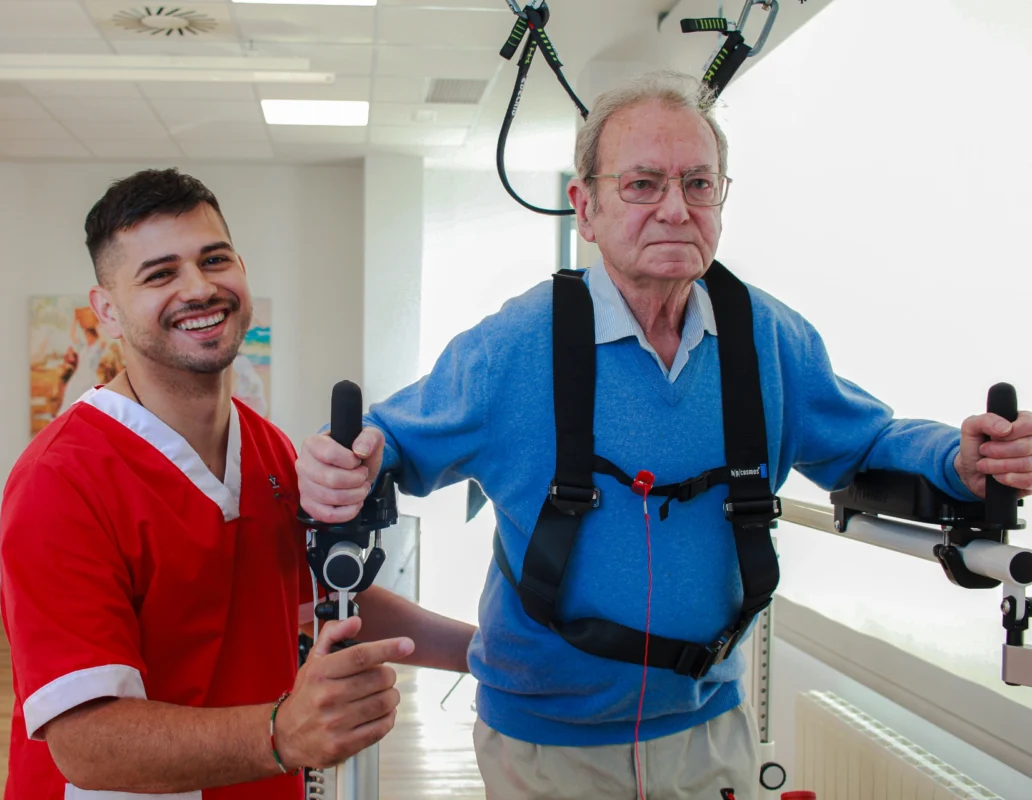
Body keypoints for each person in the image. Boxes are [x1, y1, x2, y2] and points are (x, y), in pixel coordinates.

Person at [296, 71, 1032, 799]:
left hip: (709, 730)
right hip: (545, 742)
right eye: (643, 185)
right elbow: (385, 442)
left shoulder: (768, 339)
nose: (676, 210)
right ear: (586, 208)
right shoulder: (513, 347)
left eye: (698, 184)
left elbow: (866, 442)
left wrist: (959, 458)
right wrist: (341, 464)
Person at [0, 168, 475, 800]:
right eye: (160, 274)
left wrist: (487, 653)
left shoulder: (267, 448)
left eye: (214, 259)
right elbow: (84, 742)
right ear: (107, 310)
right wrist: (283, 734)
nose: (199, 288)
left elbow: (317, 592)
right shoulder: (60, 479)